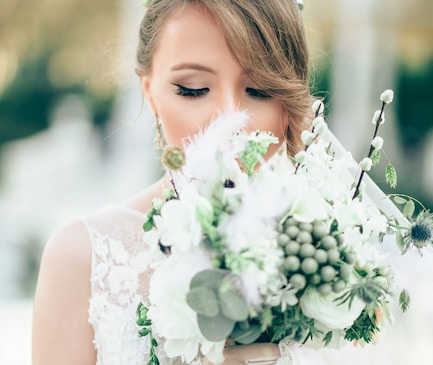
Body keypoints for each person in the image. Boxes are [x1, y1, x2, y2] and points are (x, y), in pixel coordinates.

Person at [32, 1, 321, 364]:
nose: (229, 119)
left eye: (260, 91)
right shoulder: (82, 256)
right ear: (150, 92)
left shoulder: (334, 250)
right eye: (193, 88)